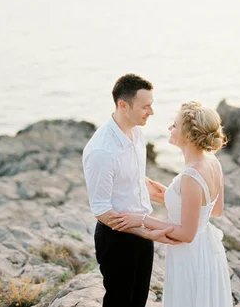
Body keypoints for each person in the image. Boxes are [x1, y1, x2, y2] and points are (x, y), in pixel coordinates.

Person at [110, 101, 232, 307]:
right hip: (207, 250)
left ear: (187, 136)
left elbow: (186, 234)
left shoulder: (191, 176)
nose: (169, 128)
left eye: (174, 125)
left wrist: (141, 220)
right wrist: (164, 193)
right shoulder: (212, 161)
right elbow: (214, 209)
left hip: (191, 256)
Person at [82, 73, 179, 307]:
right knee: (119, 302)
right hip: (116, 240)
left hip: (142, 230)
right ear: (123, 105)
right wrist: (146, 232)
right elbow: (102, 211)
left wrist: (173, 199)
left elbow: (135, 179)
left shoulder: (137, 133)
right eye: (146, 107)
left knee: (139, 301)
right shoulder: (102, 151)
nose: (151, 112)